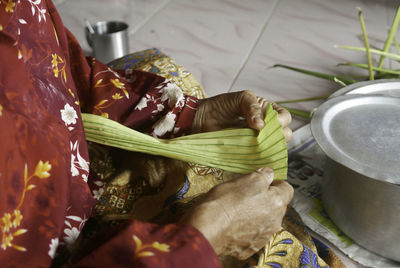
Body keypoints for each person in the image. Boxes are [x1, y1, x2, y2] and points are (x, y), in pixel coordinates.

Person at [0, 0, 293, 267]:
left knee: (171, 75)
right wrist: (207, 237)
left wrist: (184, 114)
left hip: (66, 169)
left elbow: (52, 75)